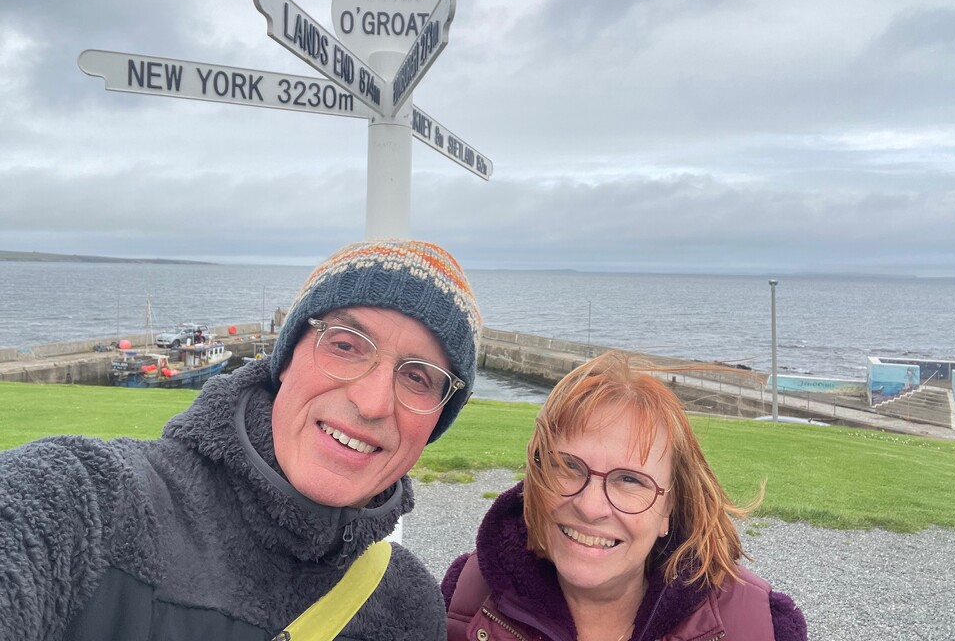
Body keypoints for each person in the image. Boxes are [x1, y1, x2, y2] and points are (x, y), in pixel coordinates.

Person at [0, 239, 481, 641]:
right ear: (286, 356)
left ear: (437, 420)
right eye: (345, 346)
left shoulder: (409, 607)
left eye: (418, 378)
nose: (374, 402)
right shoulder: (87, 500)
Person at [443, 351, 807, 641]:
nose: (590, 506)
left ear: (669, 508)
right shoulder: (463, 598)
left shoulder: (762, 625)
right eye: (568, 466)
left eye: (630, 480)